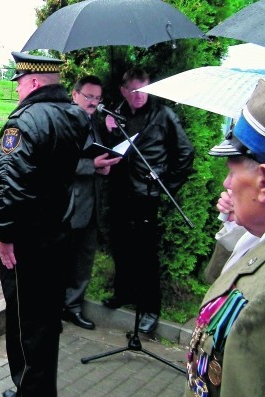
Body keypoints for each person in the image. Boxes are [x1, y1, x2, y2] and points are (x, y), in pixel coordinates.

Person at [184, 79, 265, 397]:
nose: (226, 182)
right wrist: (240, 225)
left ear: (264, 182)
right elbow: (220, 280)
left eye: (233, 171)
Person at [0, 52, 90, 397]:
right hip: (58, 234)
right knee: (46, 322)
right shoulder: (75, 116)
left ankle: (29, 391)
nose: (17, 90)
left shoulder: (25, 121)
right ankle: (40, 389)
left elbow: (8, 182)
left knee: (24, 323)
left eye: (19, 83)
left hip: (27, 242)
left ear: (32, 82)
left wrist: (3, 235)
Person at [102, 68, 194, 334]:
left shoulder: (163, 115)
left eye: (143, 89)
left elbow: (185, 153)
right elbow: (110, 152)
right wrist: (109, 133)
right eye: (133, 90)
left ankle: (150, 309)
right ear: (123, 91)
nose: (139, 96)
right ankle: (123, 293)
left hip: (147, 195)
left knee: (146, 254)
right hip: (120, 192)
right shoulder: (115, 114)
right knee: (120, 246)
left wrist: (167, 184)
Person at [62, 76, 121, 330]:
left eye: (98, 98)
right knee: (63, 259)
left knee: (84, 259)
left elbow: (96, 152)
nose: (93, 102)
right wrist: (91, 166)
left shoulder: (95, 121)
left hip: (92, 203)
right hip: (69, 204)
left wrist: (104, 165)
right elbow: (58, 162)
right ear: (75, 94)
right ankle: (55, 308)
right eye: (88, 96)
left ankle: (73, 306)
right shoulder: (64, 122)